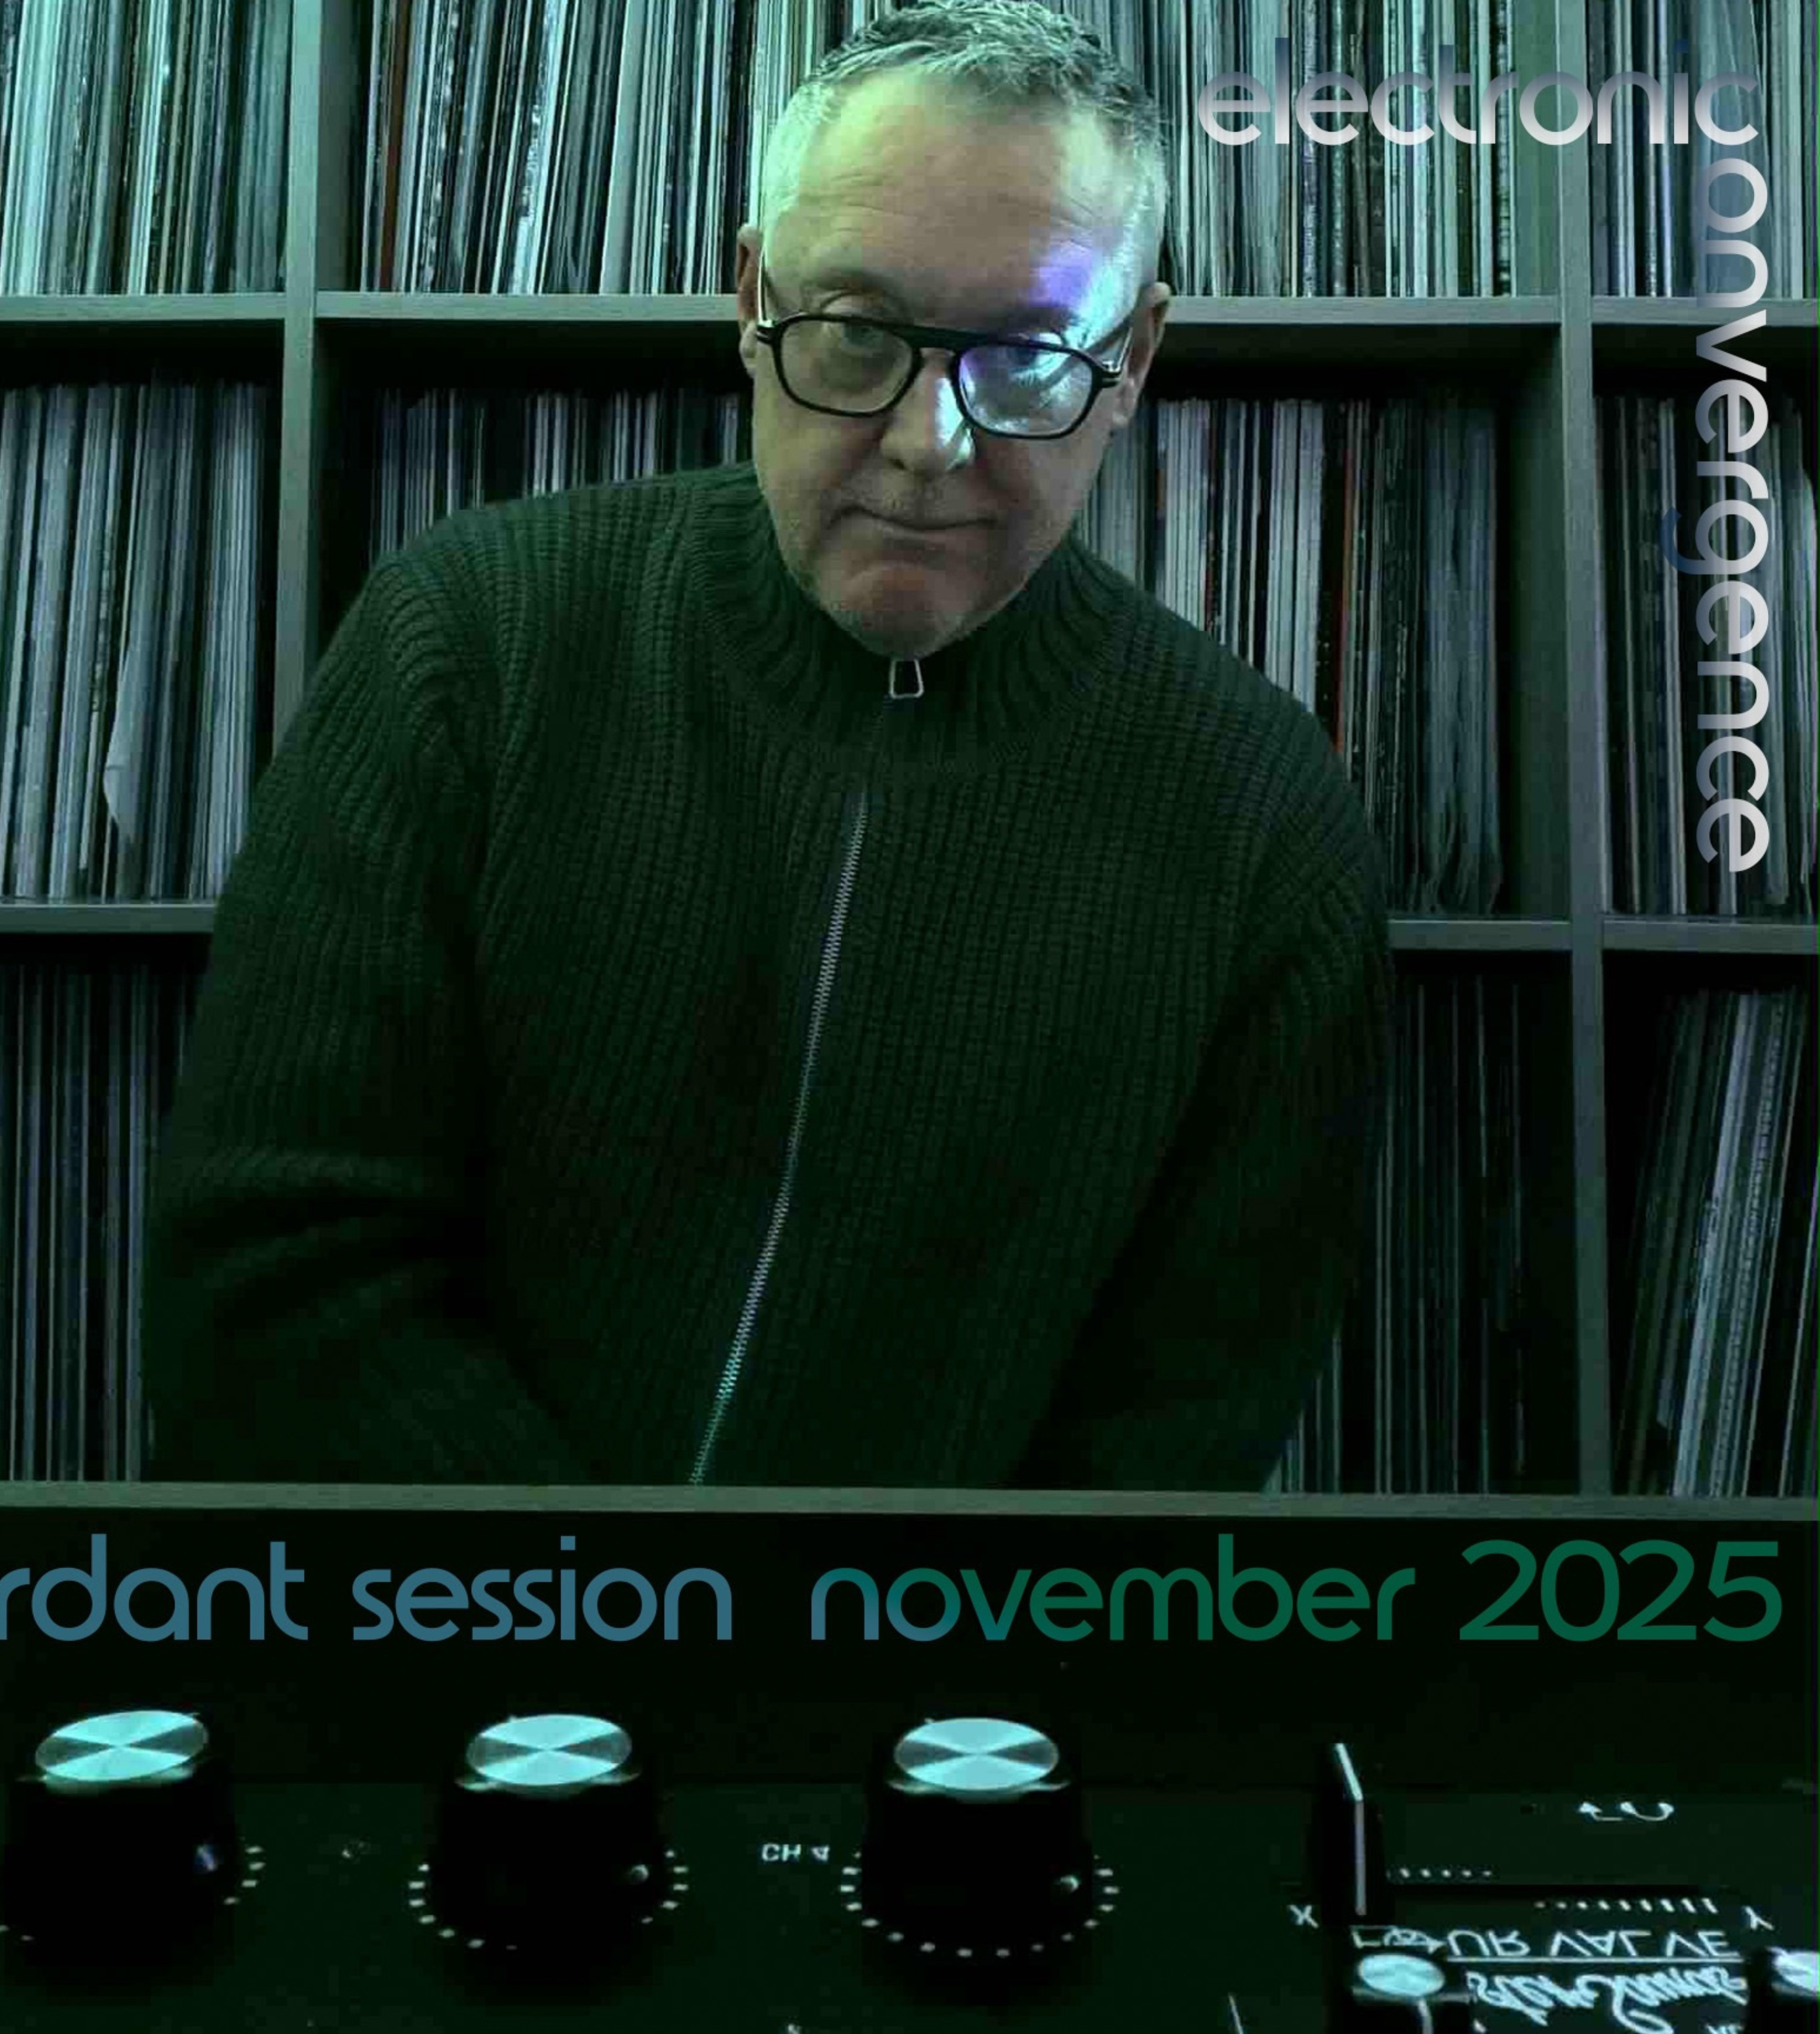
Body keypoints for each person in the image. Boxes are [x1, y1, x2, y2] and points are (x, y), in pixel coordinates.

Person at [139, 1, 1390, 1490]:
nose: (930, 441)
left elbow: (1176, 1441)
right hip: (430, 1632)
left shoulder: (1264, 826)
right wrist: (622, 1617)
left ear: (1134, 358)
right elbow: (275, 1287)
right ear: (751, 296)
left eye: (1030, 353)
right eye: (855, 333)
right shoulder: (466, 646)